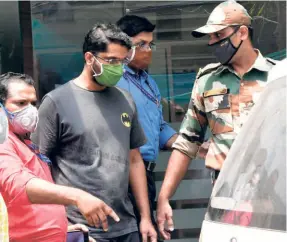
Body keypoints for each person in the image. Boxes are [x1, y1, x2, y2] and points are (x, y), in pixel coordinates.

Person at [156, 1, 277, 240]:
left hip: (274, 202)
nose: (213, 43)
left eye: (219, 35)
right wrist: (164, 197)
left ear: (242, 32)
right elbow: (187, 142)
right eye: (211, 37)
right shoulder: (207, 82)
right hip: (225, 200)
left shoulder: (277, 78)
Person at [32, 23, 157, 242]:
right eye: (111, 61)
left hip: (125, 225)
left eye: (122, 61)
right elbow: (39, 166)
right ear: (89, 58)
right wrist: (59, 223)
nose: (118, 68)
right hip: (80, 227)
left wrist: (145, 217)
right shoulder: (56, 102)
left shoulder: (125, 99)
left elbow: (135, 160)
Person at [0, 72, 123, 242]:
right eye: (20, 103)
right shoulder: (3, 142)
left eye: (33, 103)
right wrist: (78, 196)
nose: (30, 110)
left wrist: (65, 228)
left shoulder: (25, 143)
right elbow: (18, 185)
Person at [116, 15, 177, 239]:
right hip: (121, 178)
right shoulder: (113, 80)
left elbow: (159, 128)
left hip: (146, 177)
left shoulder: (149, 83)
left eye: (150, 44)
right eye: (141, 44)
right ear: (123, 45)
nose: (147, 50)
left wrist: (189, 145)